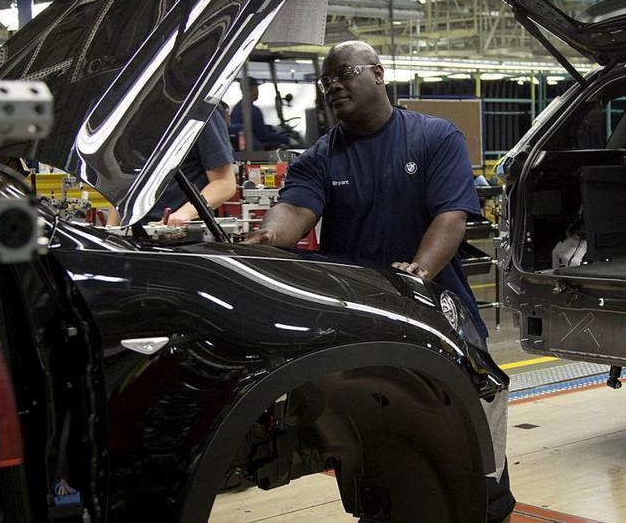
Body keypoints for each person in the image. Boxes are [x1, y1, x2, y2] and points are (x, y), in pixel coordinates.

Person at [242, 41, 515, 522]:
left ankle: (488, 509)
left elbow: (451, 216)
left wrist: (420, 272)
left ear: (378, 74)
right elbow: (296, 209)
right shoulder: (321, 156)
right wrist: (267, 236)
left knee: (472, 429)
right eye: (327, 80)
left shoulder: (435, 137)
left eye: (344, 73)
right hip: (365, 325)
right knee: (376, 443)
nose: (334, 86)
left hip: (439, 315)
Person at [148, 107, 236, 226]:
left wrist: (183, 214)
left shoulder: (201, 109)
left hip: (181, 233)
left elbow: (224, 183)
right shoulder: (130, 112)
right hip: (132, 232)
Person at [230, 77, 292, 150]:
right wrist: (287, 139)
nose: (258, 92)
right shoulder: (253, 111)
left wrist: (271, 128)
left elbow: (254, 128)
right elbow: (264, 136)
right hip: (257, 152)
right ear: (250, 90)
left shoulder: (236, 109)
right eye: (256, 89)